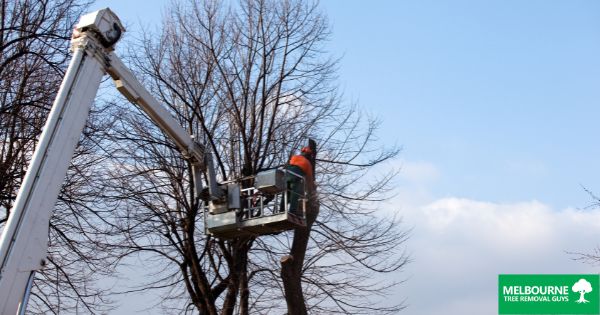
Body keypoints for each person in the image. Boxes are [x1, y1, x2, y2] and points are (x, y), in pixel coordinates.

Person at [282, 146, 315, 215]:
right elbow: (309, 179)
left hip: (286, 176)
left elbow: (287, 165)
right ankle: (292, 211)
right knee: (295, 193)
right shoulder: (307, 163)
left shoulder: (294, 157)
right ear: (308, 155)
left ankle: (281, 210)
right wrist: (311, 192)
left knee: (286, 193)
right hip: (295, 178)